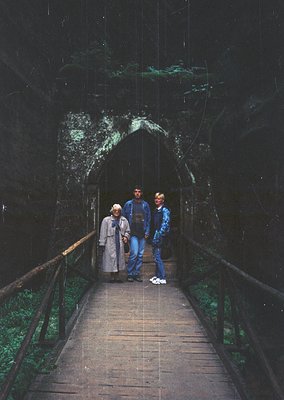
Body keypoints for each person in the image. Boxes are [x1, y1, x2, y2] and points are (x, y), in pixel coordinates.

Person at [122, 186, 151, 282]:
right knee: (134, 253)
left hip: (142, 232)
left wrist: (147, 231)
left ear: (141, 193)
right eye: (135, 191)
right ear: (133, 193)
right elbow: (124, 219)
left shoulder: (145, 205)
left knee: (140, 254)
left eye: (139, 191)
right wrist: (125, 233)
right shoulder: (128, 204)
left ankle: (136, 273)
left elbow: (148, 219)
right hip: (133, 232)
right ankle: (130, 273)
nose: (137, 193)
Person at [99, 204, 130, 283]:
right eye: (115, 210)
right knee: (111, 258)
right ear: (112, 211)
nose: (117, 212)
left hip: (119, 242)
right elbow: (103, 232)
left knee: (119, 258)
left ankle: (117, 277)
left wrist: (126, 237)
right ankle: (112, 277)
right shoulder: (106, 220)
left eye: (118, 211)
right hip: (110, 242)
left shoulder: (124, 220)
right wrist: (102, 243)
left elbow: (128, 231)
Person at [150, 192, 171, 285]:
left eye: (159, 198)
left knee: (158, 256)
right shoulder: (156, 210)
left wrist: (160, 235)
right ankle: (157, 276)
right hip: (155, 235)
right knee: (155, 256)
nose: (157, 200)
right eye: (156, 198)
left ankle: (162, 277)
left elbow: (165, 224)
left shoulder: (165, 210)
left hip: (160, 236)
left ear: (162, 200)